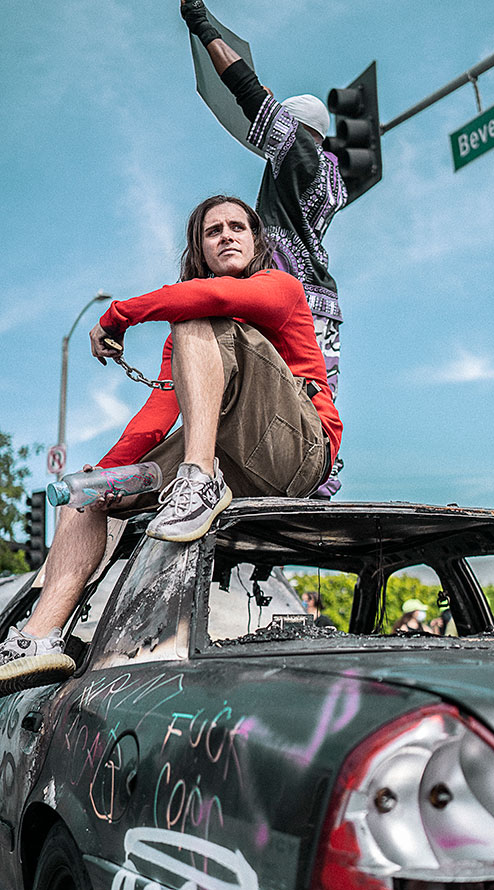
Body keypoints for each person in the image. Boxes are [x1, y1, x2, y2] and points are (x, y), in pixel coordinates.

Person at [0, 195, 342, 693]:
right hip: (234, 463)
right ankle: (39, 638)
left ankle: (198, 480)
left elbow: (213, 301)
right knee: (87, 492)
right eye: (212, 231)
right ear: (200, 250)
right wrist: (103, 478)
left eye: (237, 227)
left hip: (299, 450)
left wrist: (119, 314)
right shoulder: (191, 337)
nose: (226, 235)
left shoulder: (280, 288)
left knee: (198, 309)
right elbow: (154, 420)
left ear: (255, 240)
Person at [180, 0, 348, 496]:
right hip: (323, 300)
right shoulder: (328, 174)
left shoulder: (295, 150)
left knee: (264, 380)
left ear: (291, 131)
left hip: (286, 294)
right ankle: (321, 478)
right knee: (316, 391)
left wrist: (201, 24)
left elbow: (245, 90)